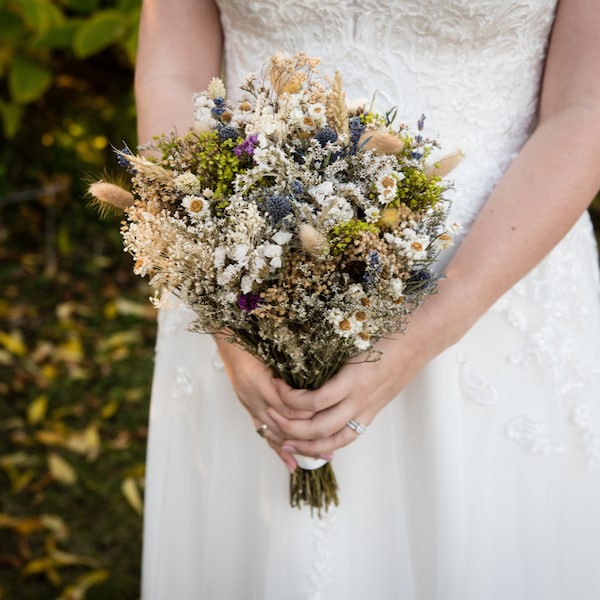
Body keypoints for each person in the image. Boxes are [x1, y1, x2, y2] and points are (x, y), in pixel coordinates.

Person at [135, 1, 600, 598]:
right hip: (244, 274)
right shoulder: (230, 295)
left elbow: (585, 108)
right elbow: (171, 71)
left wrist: (428, 324)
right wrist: (222, 310)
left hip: (492, 283)